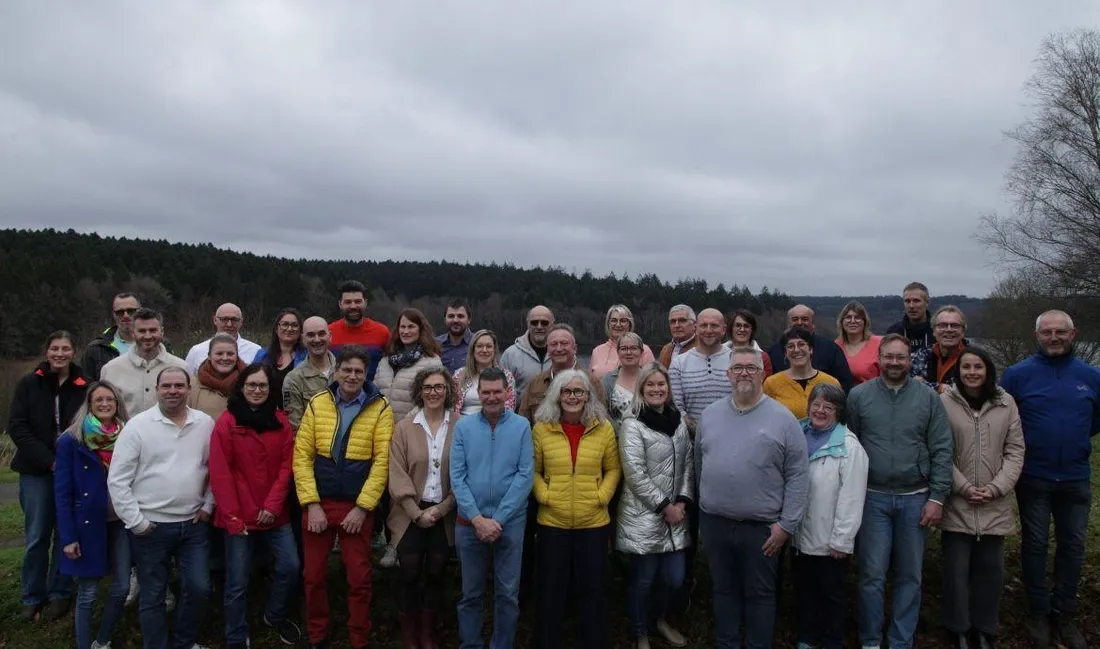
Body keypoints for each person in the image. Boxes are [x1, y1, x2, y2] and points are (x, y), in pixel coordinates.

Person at [696, 346, 809, 649]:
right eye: (737, 368)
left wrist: (786, 526)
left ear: (762, 373)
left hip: (762, 529)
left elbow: (798, 475)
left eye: (750, 367)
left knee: (760, 595)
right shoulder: (709, 415)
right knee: (723, 590)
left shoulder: (783, 419)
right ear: (727, 374)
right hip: (715, 523)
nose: (743, 373)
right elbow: (699, 466)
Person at [1000, 310, 1100, 649]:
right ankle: (1038, 613)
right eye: (1047, 332)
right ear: (1037, 335)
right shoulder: (1017, 375)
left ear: (1073, 335)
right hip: (1034, 476)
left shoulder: (1091, 376)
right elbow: (1004, 420)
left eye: (1060, 332)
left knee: (1072, 547)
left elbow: (1095, 420)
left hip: (1075, 477)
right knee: (1036, 545)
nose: (1054, 338)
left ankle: (1065, 613)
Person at [847, 334, 954, 649]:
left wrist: (937, 497)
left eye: (901, 357)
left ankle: (901, 640)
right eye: (889, 357)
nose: (895, 363)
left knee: (910, 576)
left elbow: (942, 448)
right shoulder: (858, 396)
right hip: (872, 496)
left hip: (915, 497)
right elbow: (849, 446)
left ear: (910, 360)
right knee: (871, 574)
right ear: (879, 359)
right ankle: (869, 639)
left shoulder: (928, 398)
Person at [106, 366, 215, 649]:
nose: (173, 391)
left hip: (193, 525)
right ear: (157, 389)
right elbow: (117, 480)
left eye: (179, 386)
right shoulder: (138, 426)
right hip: (150, 527)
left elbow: (217, 469)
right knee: (153, 596)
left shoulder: (204, 424)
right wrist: (136, 521)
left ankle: (183, 641)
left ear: (189, 389)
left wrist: (209, 504)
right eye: (166, 386)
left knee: (199, 587)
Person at [293, 345, 393, 649]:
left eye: (358, 371)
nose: (352, 376)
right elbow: (301, 456)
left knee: (359, 578)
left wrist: (363, 508)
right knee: (313, 576)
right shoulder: (317, 403)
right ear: (336, 371)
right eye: (346, 369)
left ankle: (359, 636)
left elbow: (382, 462)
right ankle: (317, 634)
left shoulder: (380, 407)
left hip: (356, 507)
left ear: (366, 375)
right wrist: (312, 505)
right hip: (319, 505)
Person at [209, 364, 302, 649]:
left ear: (270, 390)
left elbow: (287, 466)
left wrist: (273, 505)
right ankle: (235, 634)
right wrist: (233, 516)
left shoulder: (281, 421)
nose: (257, 390)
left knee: (290, 566)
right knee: (237, 580)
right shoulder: (227, 423)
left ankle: (273, 616)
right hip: (237, 515)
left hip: (275, 513)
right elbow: (221, 472)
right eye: (251, 385)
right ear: (242, 387)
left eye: (262, 386)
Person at [940, 347, 1024, 649]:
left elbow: (1015, 450)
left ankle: (984, 628)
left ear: (988, 370)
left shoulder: (1005, 403)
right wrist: (962, 486)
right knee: (956, 572)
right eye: (966, 367)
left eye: (978, 367)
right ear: (958, 371)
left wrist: (997, 487)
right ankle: (958, 628)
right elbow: (939, 452)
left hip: (994, 502)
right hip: (958, 501)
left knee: (991, 571)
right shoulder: (944, 402)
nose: (972, 372)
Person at [531, 370, 621, 649]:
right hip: (552, 523)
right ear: (557, 395)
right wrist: (545, 495)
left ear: (588, 396)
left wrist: (601, 496)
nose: (572, 397)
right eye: (566, 391)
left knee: (592, 591)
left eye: (578, 392)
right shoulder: (542, 427)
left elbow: (613, 468)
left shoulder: (602, 427)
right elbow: (533, 471)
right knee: (551, 591)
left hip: (592, 523)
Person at [451, 368, 534, 649]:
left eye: (497, 391)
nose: (491, 397)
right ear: (478, 394)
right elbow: (457, 476)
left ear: (507, 392)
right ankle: (471, 644)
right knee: (470, 593)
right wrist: (476, 518)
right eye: (485, 392)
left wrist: (498, 519)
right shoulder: (463, 427)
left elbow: (525, 475)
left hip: (509, 522)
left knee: (508, 593)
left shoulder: (522, 426)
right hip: (469, 522)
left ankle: (502, 644)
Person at [9, 331, 85, 622]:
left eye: (66, 348)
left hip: (72, 472)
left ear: (73, 352)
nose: (60, 354)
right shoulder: (30, 383)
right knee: (37, 535)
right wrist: (49, 461)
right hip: (36, 471)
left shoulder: (83, 385)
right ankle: (32, 594)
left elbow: (87, 425)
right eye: (55, 348)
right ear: (47, 351)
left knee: (66, 533)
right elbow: (17, 426)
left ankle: (60, 592)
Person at [617, 364, 694, 649]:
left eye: (661, 384)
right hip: (645, 515)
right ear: (641, 389)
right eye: (650, 385)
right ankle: (641, 632)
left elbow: (688, 463)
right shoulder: (633, 423)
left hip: (677, 515)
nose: (657, 389)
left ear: (668, 387)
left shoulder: (679, 420)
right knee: (645, 579)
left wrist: (683, 502)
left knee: (673, 579)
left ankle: (660, 619)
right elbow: (634, 473)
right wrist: (664, 506)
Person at [55, 381, 131, 649]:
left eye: (110, 399)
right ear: (89, 404)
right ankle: (84, 644)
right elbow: (62, 494)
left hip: (121, 521)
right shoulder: (71, 440)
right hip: (87, 524)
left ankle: (103, 640)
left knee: (122, 586)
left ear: (117, 403)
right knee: (87, 593)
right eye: (98, 400)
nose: (105, 404)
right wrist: (68, 537)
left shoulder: (129, 435)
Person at [388, 367, 459, 649]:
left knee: (436, 572)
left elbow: (463, 474)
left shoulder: (460, 425)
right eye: (428, 387)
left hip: (445, 513)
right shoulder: (405, 427)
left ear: (448, 391)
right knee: (409, 571)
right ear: (419, 391)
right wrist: (416, 512)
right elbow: (396, 470)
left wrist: (442, 510)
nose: (433, 392)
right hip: (409, 513)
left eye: (439, 387)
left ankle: (429, 632)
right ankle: (410, 631)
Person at [793, 384, 868, 649]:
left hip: (829, 543)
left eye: (828, 407)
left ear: (838, 412)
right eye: (816, 404)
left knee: (831, 596)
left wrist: (842, 540)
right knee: (805, 593)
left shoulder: (849, 447)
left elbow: (852, 498)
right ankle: (806, 639)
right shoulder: (796, 434)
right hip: (798, 539)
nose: (820, 411)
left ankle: (833, 641)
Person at [101, 308, 188, 416]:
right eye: (142, 331)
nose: (147, 336)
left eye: (153, 330)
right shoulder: (111, 370)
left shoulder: (181, 367)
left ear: (162, 331)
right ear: (133, 333)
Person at [518, 324, 606, 421]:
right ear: (547, 349)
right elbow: (523, 421)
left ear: (575, 349)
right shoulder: (535, 383)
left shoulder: (592, 382)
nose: (559, 349)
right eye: (554, 344)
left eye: (564, 343)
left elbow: (601, 419)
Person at [376, 308, 446, 423]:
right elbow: (376, 392)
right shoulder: (385, 360)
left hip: (413, 427)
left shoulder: (431, 362)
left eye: (411, 327)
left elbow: (431, 398)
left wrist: (406, 424)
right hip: (383, 428)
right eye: (402, 327)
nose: (405, 331)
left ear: (421, 330)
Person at [668, 308, 733, 431]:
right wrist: (696, 431)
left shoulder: (736, 361)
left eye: (714, 326)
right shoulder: (679, 363)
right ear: (696, 328)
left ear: (724, 329)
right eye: (704, 325)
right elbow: (676, 406)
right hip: (692, 442)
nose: (708, 330)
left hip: (731, 438)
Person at [767, 305, 853, 392]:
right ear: (788, 324)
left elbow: (845, 383)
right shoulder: (775, 351)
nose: (800, 323)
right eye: (795, 319)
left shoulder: (831, 349)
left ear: (813, 323)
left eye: (805, 319)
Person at [763, 328, 841, 419]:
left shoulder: (831, 382)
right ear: (785, 353)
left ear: (811, 349)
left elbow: (838, 418)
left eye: (801, 344)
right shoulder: (771, 383)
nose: (796, 350)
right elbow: (766, 418)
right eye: (790, 346)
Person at [327, 280, 391, 382]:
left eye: (357, 301)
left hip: (373, 395)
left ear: (365, 303)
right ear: (340, 304)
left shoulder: (382, 332)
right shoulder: (328, 332)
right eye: (348, 302)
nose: (353, 306)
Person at [283, 316, 337, 429]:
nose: (317, 339)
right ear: (303, 339)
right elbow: (295, 426)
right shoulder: (293, 379)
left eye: (321, 334)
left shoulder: (346, 371)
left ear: (330, 336)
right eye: (311, 335)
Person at [252, 307, 308, 409]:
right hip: (264, 413)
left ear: (300, 330)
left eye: (294, 325)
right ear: (277, 329)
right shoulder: (262, 355)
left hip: (296, 413)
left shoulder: (307, 356)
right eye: (285, 324)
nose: (289, 329)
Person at [452, 329, 517, 416]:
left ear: (494, 349)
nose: (484, 350)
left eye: (489, 346)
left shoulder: (506, 376)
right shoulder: (459, 375)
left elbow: (510, 407)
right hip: (463, 424)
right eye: (479, 346)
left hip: (496, 424)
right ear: (473, 349)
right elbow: (451, 406)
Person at [185, 303, 262, 375]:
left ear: (241, 322)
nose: (229, 324)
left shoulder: (255, 351)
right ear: (215, 320)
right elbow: (188, 382)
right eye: (224, 319)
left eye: (234, 320)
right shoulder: (197, 351)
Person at [81, 292, 141, 381]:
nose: (126, 315)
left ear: (139, 311)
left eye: (131, 311)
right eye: (120, 312)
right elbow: (86, 386)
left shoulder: (157, 345)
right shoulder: (95, 349)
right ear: (113, 314)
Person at [499, 305, 554, 400]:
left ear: (552, 324)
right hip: (520, 413)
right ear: (528, 324)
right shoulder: (510, 354)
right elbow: (501, 388)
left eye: (544, 323)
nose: (539, 326)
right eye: (534, 322)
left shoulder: (561, 353)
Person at [911, 305, 969, 393]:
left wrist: (922, 383)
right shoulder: (922, 354)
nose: (949, 330)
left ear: (963, 331)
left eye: (955, 325)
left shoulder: (974, 357)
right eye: (942, 325)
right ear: (933, 331)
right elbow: (908, 384)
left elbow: (965, 391)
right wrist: (940, 388)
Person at [186, 333, 246, 419]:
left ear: (237, 356)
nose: (225, 358)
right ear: (209, 356)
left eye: (230, 354)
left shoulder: (248, 382)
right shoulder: (192, 385)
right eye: (219, 353)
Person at [589, 304, 656, 379]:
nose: (618, 325)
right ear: (608, 324)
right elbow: (590, 384)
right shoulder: (597, 351)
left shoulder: (643, 350)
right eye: (614, 320)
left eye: (623, 321)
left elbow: (652, 381)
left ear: (630, 324)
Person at [600, 332, 646, 429]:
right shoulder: (607, 381)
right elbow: (602, 413)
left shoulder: (651, 377)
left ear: (641, 352)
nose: (629, 352)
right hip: (617, 438)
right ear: (618, 352)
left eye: (634, 348)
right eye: (624, 349)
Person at [835, 300, 882, 386]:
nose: (852, 321)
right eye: (848, 317)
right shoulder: (835, 346)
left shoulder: (878, 343)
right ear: (842, 322)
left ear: (865, 322)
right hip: (842, 396)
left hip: (871, 396)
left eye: (857, 317)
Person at [887, 282, 935, 354]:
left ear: (927, 302)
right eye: (907, 301)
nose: (911, 306)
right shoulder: (894, 332)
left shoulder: (938, 331)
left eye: (916, 301)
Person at [724, 309, 773, 376]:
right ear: (731, 328)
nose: (742, 329)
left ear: (752, 330)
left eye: (746, 326)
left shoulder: (763, 357)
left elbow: (766, 384)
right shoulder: (719, 354)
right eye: (738, 325)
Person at [437, 299, 473, 373]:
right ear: (445, 319)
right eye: (451, 316)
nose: (455, 320)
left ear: (469, 319)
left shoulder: (478, 343)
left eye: (460, 316)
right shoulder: (435, 344)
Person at [657, 304, 697, 368]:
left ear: (694, 324)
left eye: (682, 320)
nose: (676, 325)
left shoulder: (703, 348)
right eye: (673, 321)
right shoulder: (665, 349)